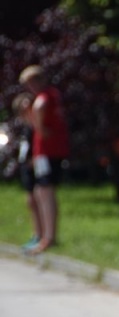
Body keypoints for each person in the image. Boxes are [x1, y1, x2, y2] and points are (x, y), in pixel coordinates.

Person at [18, 65, 70, 254]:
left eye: (30, 83)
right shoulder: (53, 95)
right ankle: (43, 235)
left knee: (45, 191)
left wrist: (37, 124)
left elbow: (40, 109)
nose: (29, 88)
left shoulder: (45, 97)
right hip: (44, 153)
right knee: (40, 191)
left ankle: (48, 237)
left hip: (48, 151)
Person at [11, 92, 42, 252]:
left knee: (37, 199)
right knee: (30, 200)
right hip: (26, 166)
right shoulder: (25, 128)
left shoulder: (37, 127)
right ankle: (36, 233)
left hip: (35, 165)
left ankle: (41, 234)